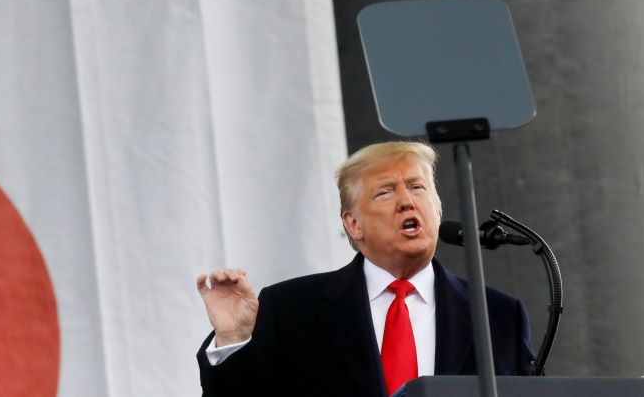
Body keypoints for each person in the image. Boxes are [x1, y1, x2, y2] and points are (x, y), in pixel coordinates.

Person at [195, 141, 534, 396]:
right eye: (385, 192)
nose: (407, 201)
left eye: (417, 187)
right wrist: (234, 339)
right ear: (353, 224)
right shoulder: (290, 309)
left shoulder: (498, 315)